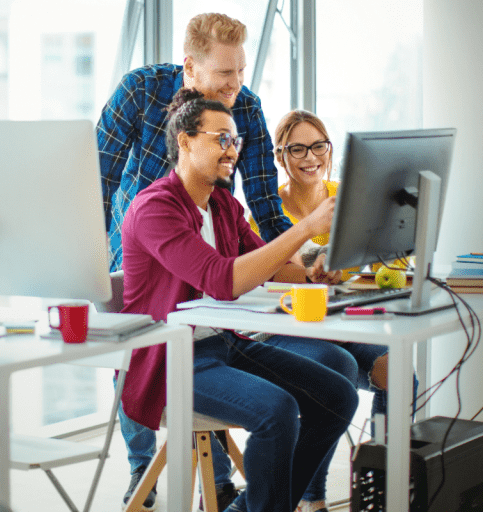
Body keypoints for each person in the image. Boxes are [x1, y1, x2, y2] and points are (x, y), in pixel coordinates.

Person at [120, 88, 358, 512]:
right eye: (221, 139)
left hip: (222, 345)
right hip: (171, 360)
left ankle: (255, 508)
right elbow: (221, 280)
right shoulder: (155, 208)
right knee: (276, 411)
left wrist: (313, 270)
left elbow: (269, 265)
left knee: (338, 396)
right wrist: (305, 230)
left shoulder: (224, 206)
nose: (232, 150)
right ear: (186, 141)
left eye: (236, 141)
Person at [98, 14, 301, 509]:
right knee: (145, 334)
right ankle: (142, 468)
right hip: (143, 229)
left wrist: (293, 258)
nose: (236, 86)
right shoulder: (140, 90)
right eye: (225, 74)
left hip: (208, 227)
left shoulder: (244, 107)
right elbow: (97, 177)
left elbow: (263, 203)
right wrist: (91, 263)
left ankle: (215, 478)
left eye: (241, 72)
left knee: (205, 327)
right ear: (191, 67)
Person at [251, 108, 419, 429]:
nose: (310, 157)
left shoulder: (346, 196)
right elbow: (268, 273)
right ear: (279, 156)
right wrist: (311, 275)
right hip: (285, 328)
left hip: (337, 321)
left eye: (318, 146)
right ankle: (312, 480)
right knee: (337, 366)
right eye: (296, 149)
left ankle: (380, 466)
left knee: (397, 369)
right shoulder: (267, 211)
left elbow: (369, 250)